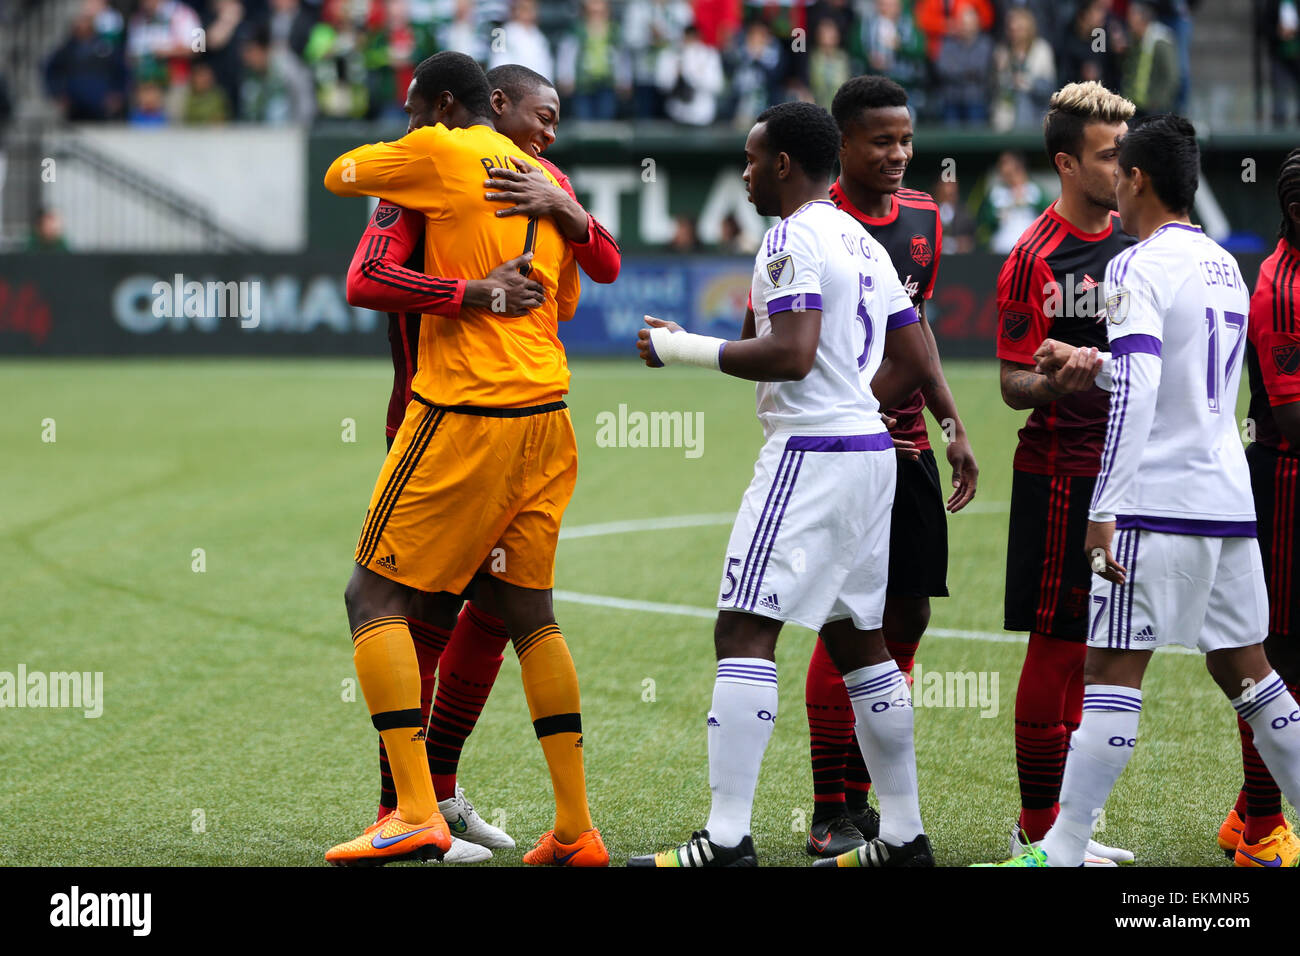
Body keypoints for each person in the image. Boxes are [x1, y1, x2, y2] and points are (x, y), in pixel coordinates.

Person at [627, 101, 936, 868]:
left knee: (742, 630)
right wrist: (863, 400)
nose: (745, 171)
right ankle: (903, 837)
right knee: (861, 644)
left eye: (752, 158)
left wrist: (681, 350)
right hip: (871, 454)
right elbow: (917, 356)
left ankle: (726, 840)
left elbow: (792, 354)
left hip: (813, 451)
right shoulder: (863, 240)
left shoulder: (791, 235)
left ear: (785, 165)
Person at [988, 114, 1300, 868]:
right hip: (1227, 501)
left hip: (1156, 503)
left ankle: (1059, 849)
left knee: (1109, 673)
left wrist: (1104, 510)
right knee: (1250, 674)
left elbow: (1141, 395)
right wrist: (1091, 361)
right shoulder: (1224, 263)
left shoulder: (1134, 267)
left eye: (1119, 171)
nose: (1113, 189)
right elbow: (1176, 376)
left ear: (1138, 179)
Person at [322, 51, 606, 867]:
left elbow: (351, 202)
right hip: (542, 417)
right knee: (516, 614)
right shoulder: (549, 195)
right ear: (504, 105)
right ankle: (569, 828)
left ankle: (417, 806)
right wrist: (555, 225)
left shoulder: (439, 158)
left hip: (460, 416)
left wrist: (469, 292)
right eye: (540, 116)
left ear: (445, 107)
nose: (547, 131)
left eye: (416, 111)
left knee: (382, 598)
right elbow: (583, 287)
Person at [802, 75, 978, 860]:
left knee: (906, 615)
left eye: (906, 139)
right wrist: (850, 415)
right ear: (842, 145)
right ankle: (827, 805)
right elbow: (775, 343)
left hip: (904, 447)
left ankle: (864, 789)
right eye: (882, 140)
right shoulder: (812, 223)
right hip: (840, 450)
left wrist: (950, 420)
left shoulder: (923, 220)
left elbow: (915, 331)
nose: (900, 154)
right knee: (846, 622)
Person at [994, 81, 1137, 866]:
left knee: (1100, 652)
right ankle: (1037, 830)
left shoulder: (1141, 244)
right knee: (1055, 649)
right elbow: (1012, 381)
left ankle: (1069, 831)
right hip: (1060, 475)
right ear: (1066, 163)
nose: (1125, 167)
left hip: (1129, 477)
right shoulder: (1032, 258)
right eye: (1110, 155)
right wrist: (1057, 381)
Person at [1216, 148, 1300, 867]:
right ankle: (1266, 829)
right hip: (1287, 482)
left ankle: (1248, 812)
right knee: (1279, 654)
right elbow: (1295, 417)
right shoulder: (1280, 289)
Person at [1121, 1, 1180, 116]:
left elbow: (1171, 76)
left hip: (1153, 109)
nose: (1128, 21)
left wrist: (1158, 102)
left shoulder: (1160, 41)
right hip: (1134, 106)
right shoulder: (1135, 40)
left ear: (1142, 18)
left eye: (1132, 16)